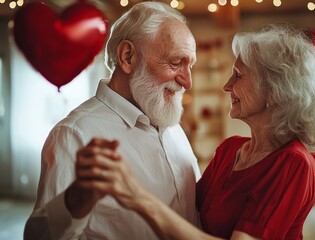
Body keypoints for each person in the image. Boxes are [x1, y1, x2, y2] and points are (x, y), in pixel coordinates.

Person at [75, 24, 315, 239]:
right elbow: (187, 216)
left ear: (275, 93)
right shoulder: (229, 150)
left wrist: (137, 197)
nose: (227, 86)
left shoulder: (293, 163)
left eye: (238, 75)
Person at [23, 2, 201, 239]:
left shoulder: (173, 127)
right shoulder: (75, 134)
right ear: (127, 57)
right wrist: (74, 201)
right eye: (176, 62)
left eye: (190, 65)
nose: (187, 82)